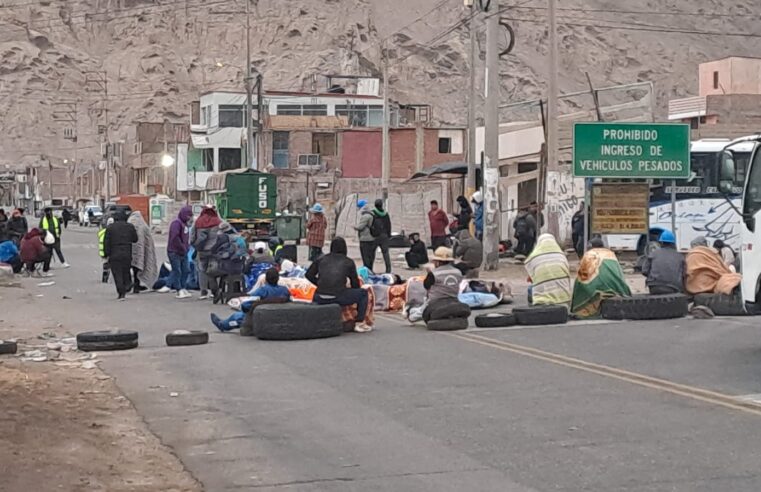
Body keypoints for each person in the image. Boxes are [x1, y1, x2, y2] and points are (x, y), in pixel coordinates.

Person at [306, 237, 372, 332]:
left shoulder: (321, 259)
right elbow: (355, 285)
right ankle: (359, 322)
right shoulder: (348, 262)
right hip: (338, 296)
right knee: (363, 294)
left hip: (319, 296)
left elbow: (308, 274)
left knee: (320, 293)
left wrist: (319, 283)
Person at [210, 268, 291, 332]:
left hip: (261, 318)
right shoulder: (285, 290)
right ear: (278, 278)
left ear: (266, 279)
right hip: (280, 317)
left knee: (238, 316)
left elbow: (246, 304)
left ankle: (222, 325)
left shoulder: (263, 290)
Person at [571, 237, 631, 318]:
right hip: (616, 286)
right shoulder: (611, 254)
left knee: (579, 283)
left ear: (591, 247)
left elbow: (583, 275)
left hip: (596, 287)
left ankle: (583, 311)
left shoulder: (589, 254)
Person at [421, 246, 470, 323]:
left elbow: (426, 286)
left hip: (435, 303)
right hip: (454, 300)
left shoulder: (434, 274)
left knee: (418, 312)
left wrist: (429, 273)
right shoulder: (458, 272)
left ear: (438, 262)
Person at [525, 233, 572, 306]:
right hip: (564, 301)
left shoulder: (534, 257)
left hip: (543, 302)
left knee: (530, 289)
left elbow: (531, 278)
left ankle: (533, 310)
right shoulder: (561, 256)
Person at [158, 205, 193, 299]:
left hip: (184, 252)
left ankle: (183, 287)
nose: (189, 217)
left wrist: (187, 247)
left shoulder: (185, 224)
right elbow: (175, 238)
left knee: (186, 270)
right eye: (188, 215)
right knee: (177, 271)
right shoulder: (176, 223)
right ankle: (178, 289)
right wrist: (182, 247)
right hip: (174, 251)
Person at [103, 210, 138, 300]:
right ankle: (127, 285)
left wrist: (106, 254)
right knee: (126, 271)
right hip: (127, 252)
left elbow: (106, 242)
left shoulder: (110, 228)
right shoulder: (130, 226)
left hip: (114, 253)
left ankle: (121, 293)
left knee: (117, 273)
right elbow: (135, 239)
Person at [191, 206, 223, 300]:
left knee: (202, 270)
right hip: (215, 250)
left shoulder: (198, 222)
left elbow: (192, 236)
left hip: (202, 250)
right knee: (215, 269)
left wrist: (196, 246)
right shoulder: (218, 221)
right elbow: (223, 236)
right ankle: (215, 291)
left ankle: (203, 292)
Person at [641, 230, 685, 295]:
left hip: (654, 287)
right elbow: (684, 275)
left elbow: (644, 271)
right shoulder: (680, 257)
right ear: (674, 243)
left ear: (661, 243)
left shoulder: (653, 254)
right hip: (673, 288)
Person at [127, 211, 158, 294]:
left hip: (129, 250)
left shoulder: (129, 222)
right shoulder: (143, 225)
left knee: (129, 268)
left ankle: (129, 285)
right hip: (141, 252)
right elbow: (148, 239)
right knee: (137, 269)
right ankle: (136, 286)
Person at [354, 199, 376, 271]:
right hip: (372, 238)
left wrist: (354, 226)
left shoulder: (365, 216)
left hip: (365, 239)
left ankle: (367, 271)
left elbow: (360, 227)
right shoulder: (372, 214)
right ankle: (370, 270)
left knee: (365, 257)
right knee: (371, 256)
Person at [371, 199, 392, 274]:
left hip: (375, 236)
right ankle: (388, 269)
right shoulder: (385, 214)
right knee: (386, 253)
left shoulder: (373, 213)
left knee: (372, 252)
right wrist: (388, 235)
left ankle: (370, 269)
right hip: (384, 235)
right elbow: (388, 225)